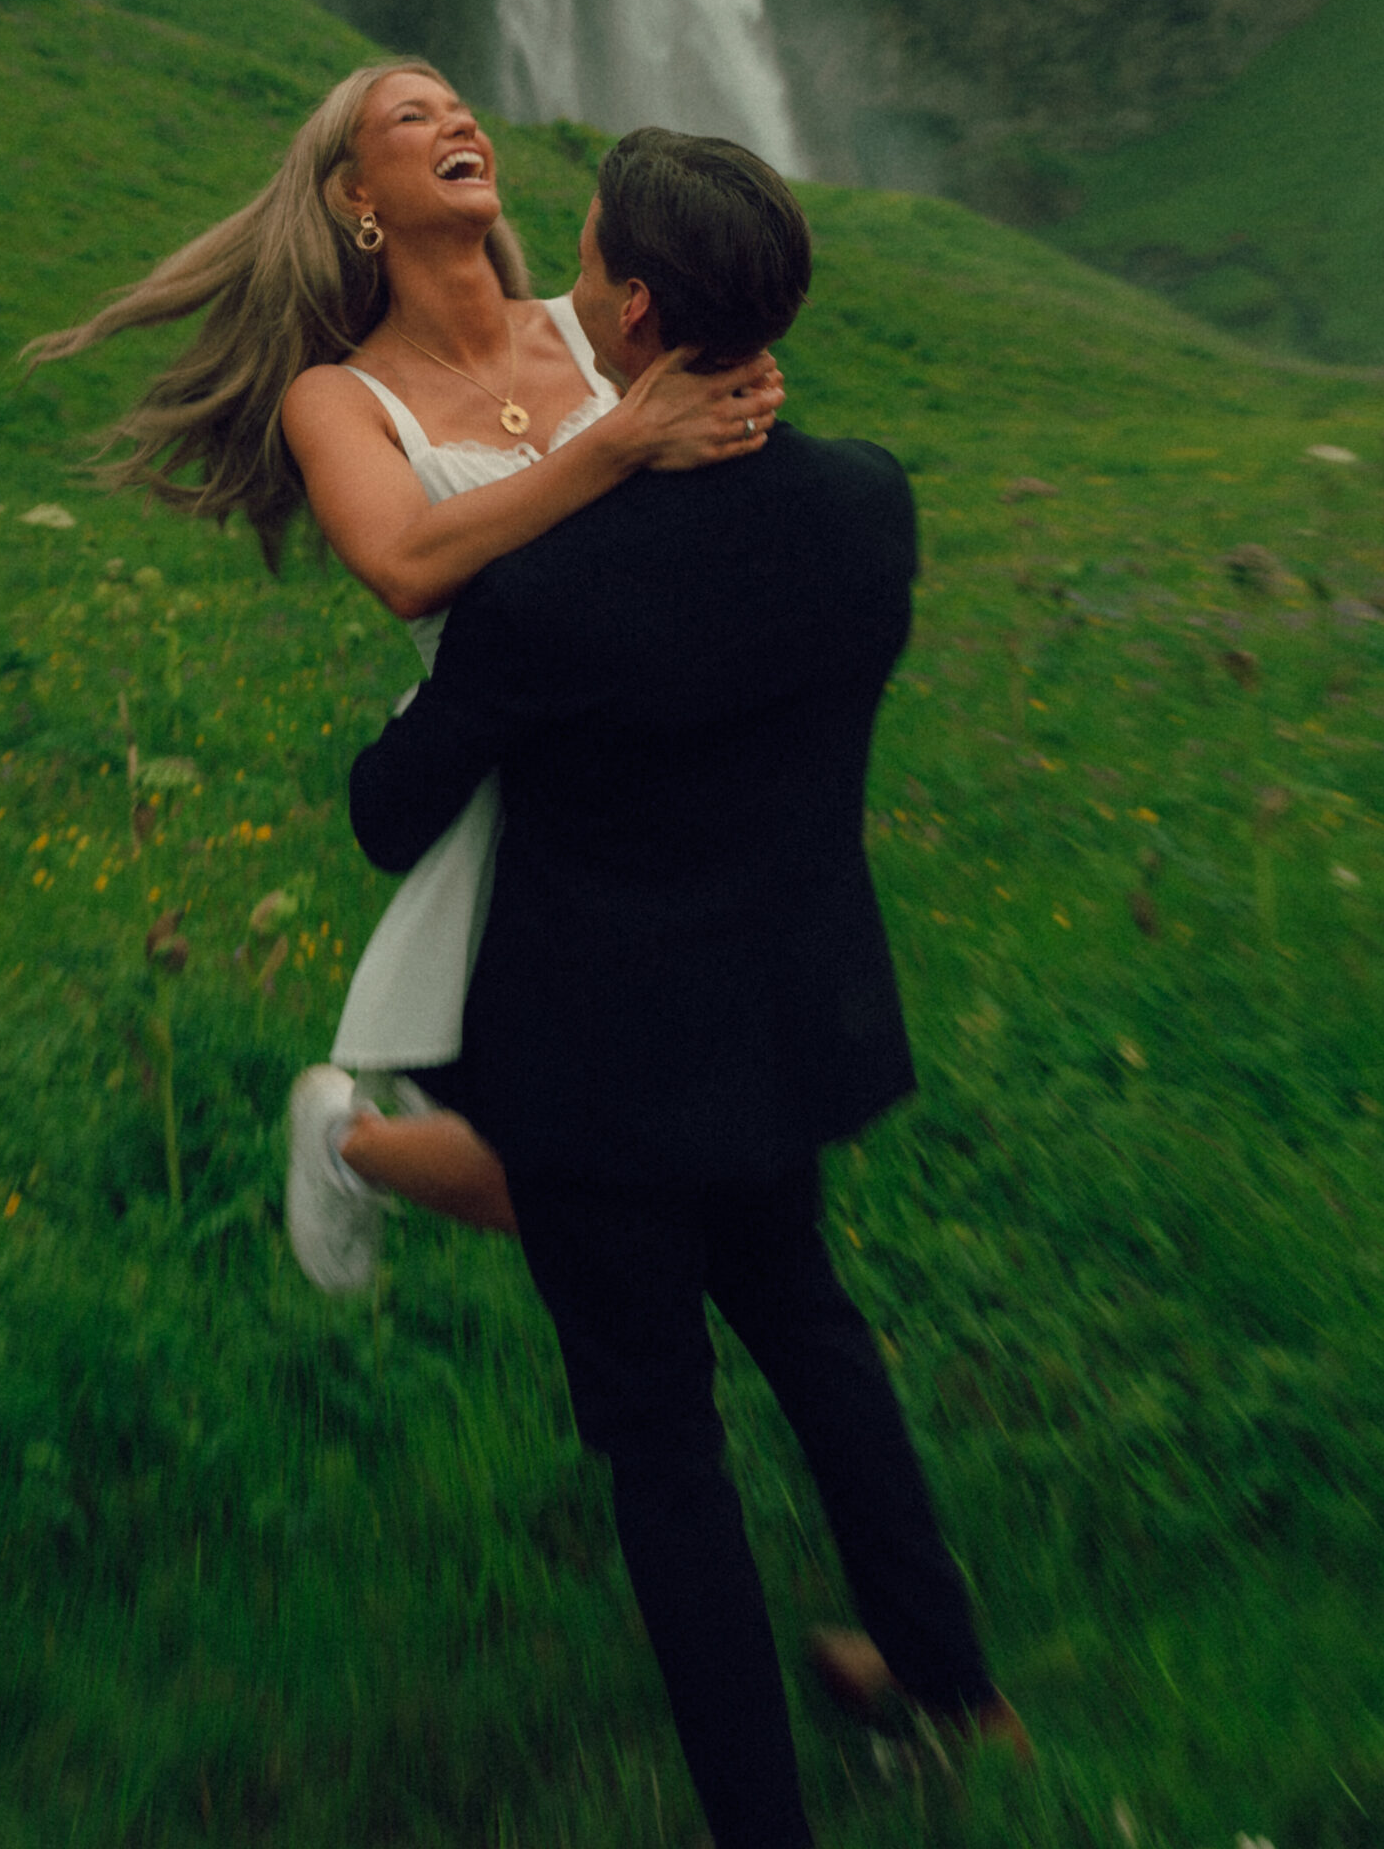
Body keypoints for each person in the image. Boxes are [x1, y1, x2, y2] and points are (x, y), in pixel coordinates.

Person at [346, 128, 1029, 1849]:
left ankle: (758, 1826)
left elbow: (388, 816)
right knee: (807, 1327)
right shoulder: (867, 505)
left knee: (661, 1447)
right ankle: (951, 1684)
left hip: (594, 1082)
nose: (556, 282)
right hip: (779, 1027)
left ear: (636, 311)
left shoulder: (550, 588)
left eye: (582, 261)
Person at [23, 60, 782, 1276]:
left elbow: (716, 436)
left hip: (656, 767)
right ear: (351, 194)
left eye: (459, 106)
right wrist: (629, 441)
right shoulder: (339, 398)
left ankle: (379, 1156)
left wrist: (738, 401)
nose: (458, 120)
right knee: (612, 1189)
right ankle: (353, 1145)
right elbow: (406, 561)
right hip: (498, 787)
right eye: (410, 116)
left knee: (691, 1156)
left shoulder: (592, 335)